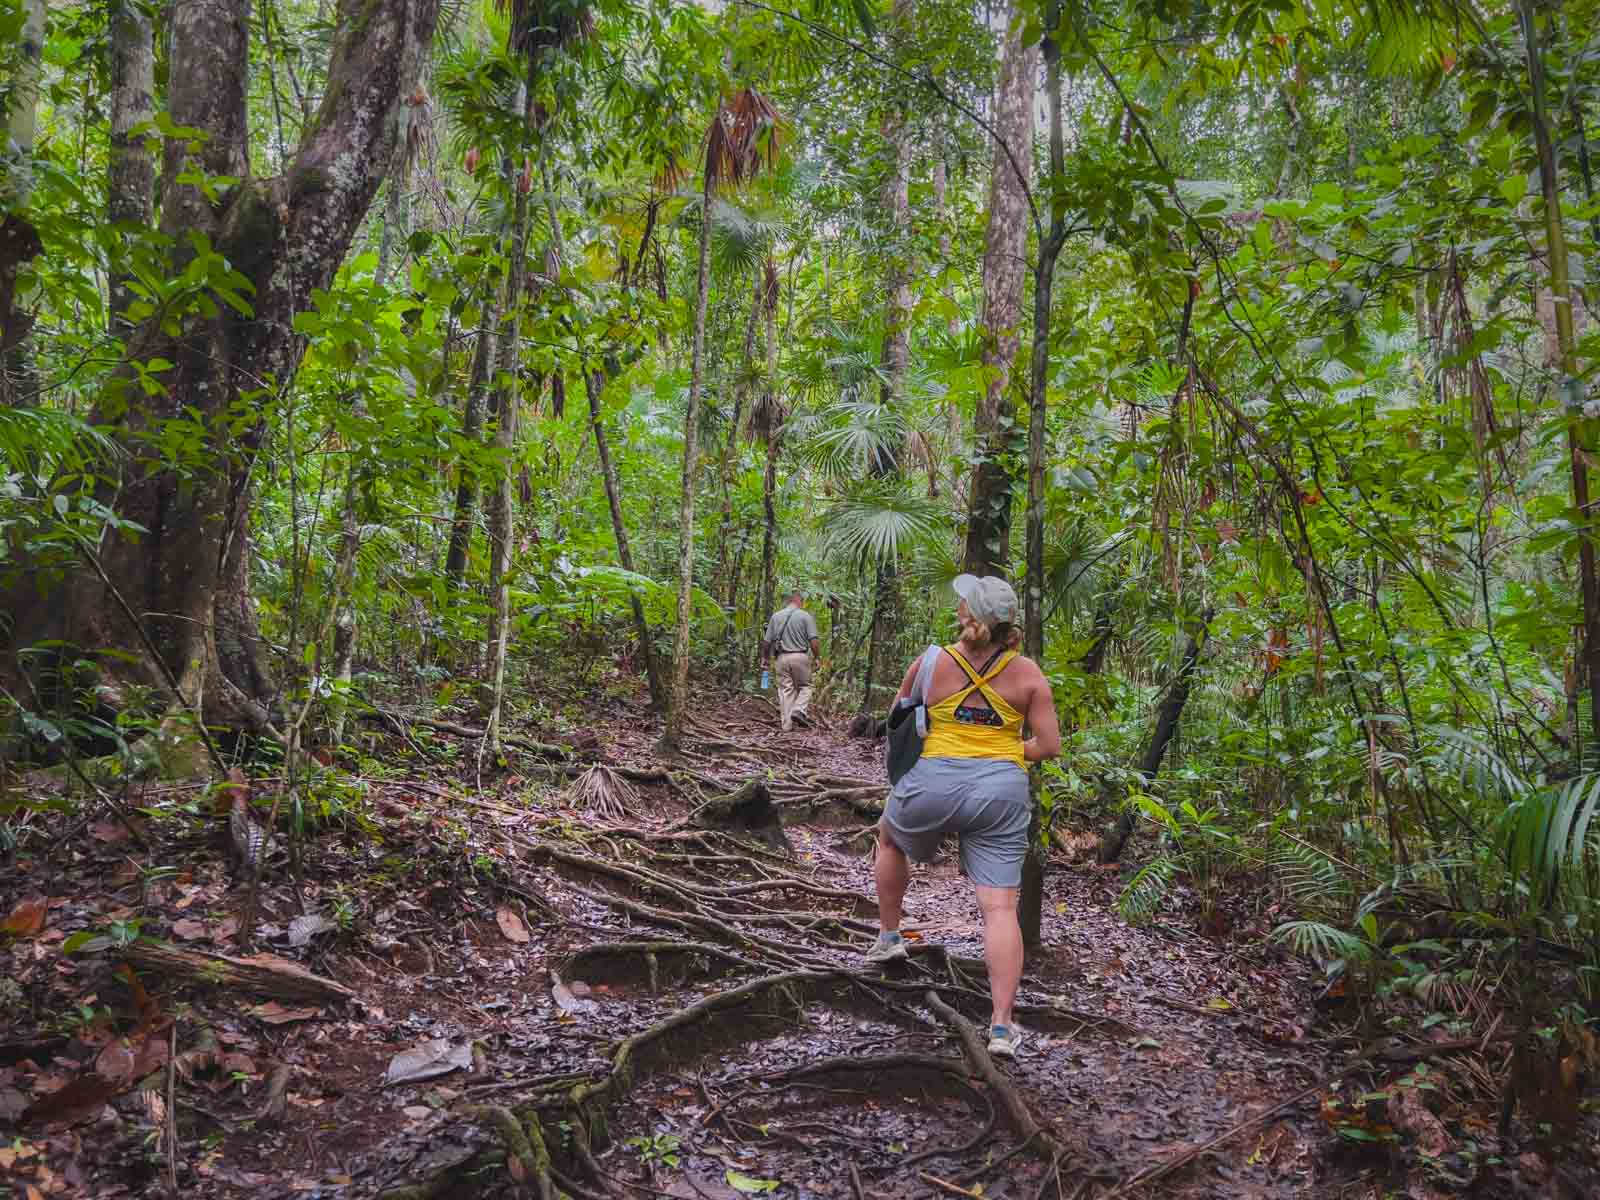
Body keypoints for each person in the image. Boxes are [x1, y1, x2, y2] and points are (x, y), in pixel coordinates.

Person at [865, 574, 1061, 1059]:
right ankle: (1000, 1027)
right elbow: (1049, 746)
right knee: (999, 907)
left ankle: (889, 936)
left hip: (931, 781)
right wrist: (1009, 751)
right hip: (1001, 792)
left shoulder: (931, 662)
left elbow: (896, 719)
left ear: (967, 615)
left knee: (888, 839)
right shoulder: (1029, 675)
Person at [761, 589, 820, 732]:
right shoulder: (806, 616)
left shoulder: (776, 616)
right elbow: (813, 641)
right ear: (799, 600)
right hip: (800, 656)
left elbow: (766, 642)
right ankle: (799, 710)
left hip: (781, 658)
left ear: (788, 601)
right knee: (806, 687)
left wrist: (765, 658)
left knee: (786, 691)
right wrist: (817, 657)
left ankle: (786, 727)